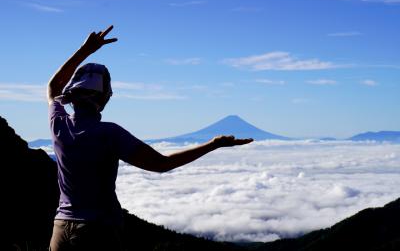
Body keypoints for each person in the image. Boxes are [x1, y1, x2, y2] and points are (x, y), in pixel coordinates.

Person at [47, 25, 253, 251]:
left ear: (72, 95)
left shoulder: (59, 124)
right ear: (105, 97)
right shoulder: (110, 133)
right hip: (97, 231)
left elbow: (54, 86)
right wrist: (213, 145)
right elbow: (162, 164)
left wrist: (85, 50)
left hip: (61, 229)